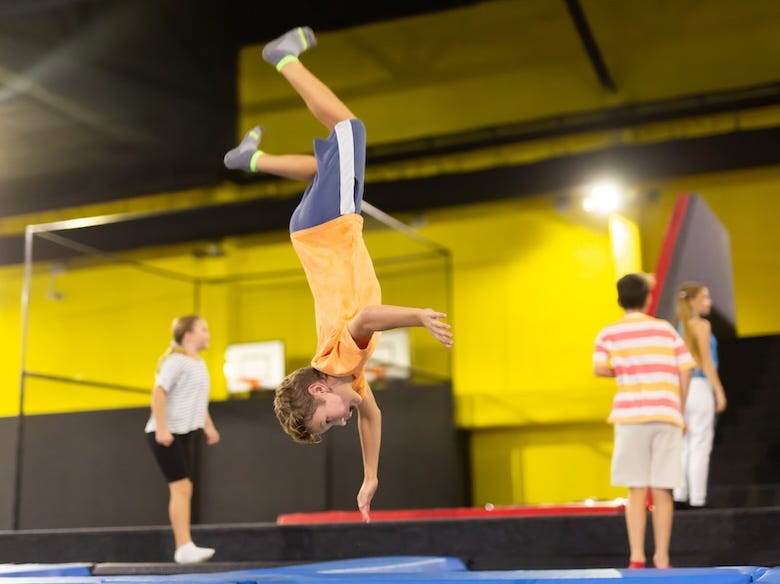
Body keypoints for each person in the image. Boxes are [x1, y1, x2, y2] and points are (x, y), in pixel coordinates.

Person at [223, 26, 453, 522]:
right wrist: (370, 477)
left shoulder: (340, 358)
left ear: (318, 390)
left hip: (329, 231)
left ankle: (283, 58)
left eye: (330, 420)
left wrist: (419, 316)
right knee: (327, 159)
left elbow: (368, 317)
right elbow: (372, 415)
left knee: (349, 130)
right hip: (315, 231)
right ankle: (253, 159)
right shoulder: (347, 376)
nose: (343, 422)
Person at [592, 273, 694, 569]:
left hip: (630, 416)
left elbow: (599, 368)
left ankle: (637, 556)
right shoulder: (664, 330)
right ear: (648, 299)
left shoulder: (608, 333)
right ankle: (662, 557)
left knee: (636, 489)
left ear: (618, 300)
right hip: (665, 414)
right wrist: (680, 407)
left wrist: (623, 372)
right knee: (663, 489)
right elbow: (685, 368)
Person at [144, 315, 220, 564]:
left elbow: (198, 401)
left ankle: (185, 545)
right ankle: (183, 546)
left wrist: (209, 427)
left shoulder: (198, 363)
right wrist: (162, 429)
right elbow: (158, 392)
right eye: (203, 329)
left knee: (185, 489)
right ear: (187, 335)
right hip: (166, 433)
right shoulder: (176, 361)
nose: (208, 334)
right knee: (181, 488)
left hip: (185, 432)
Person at [673, 282, 727, 509]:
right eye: (704, 297)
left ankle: (680, 493)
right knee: (700, 443)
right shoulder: (702, 326)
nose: (709, 302)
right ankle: (697, 497)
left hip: (681, 388)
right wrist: (719, 391)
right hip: (700, 386)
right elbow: (706, 361)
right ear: (692, 301)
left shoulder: (678, 328)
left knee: (684, 443)